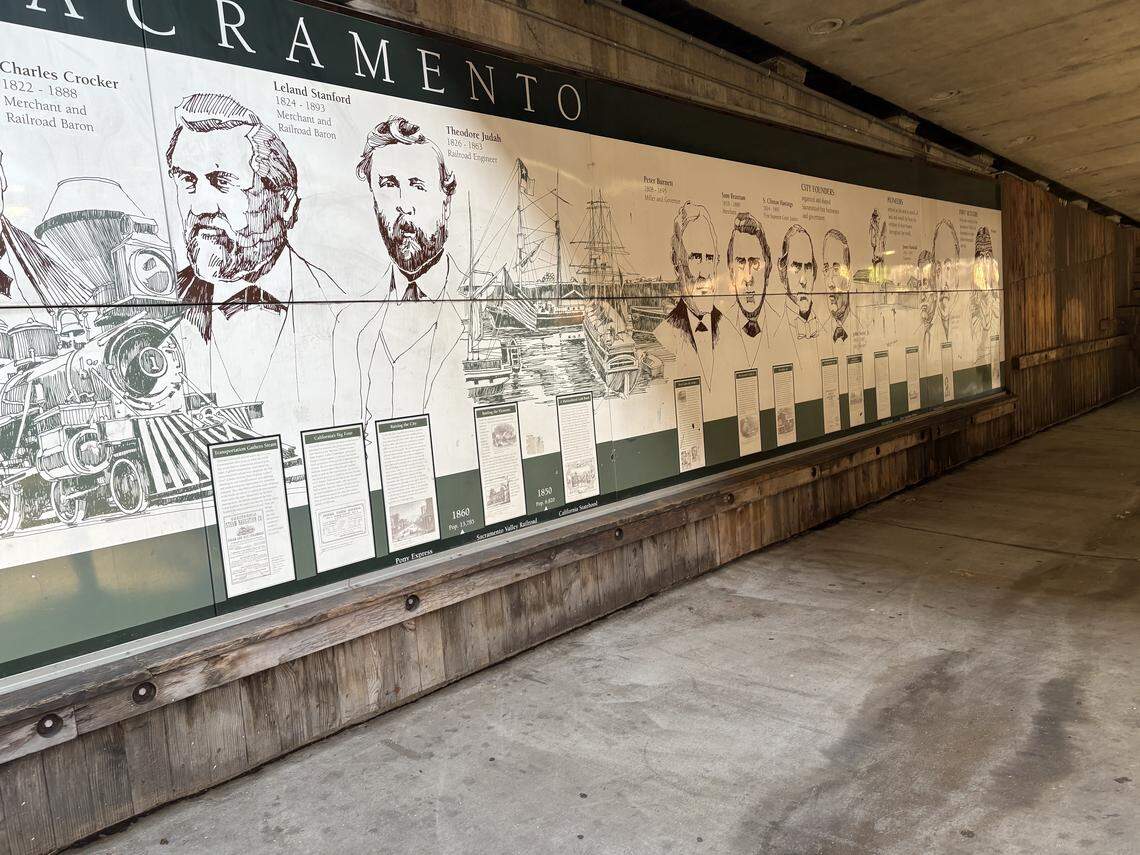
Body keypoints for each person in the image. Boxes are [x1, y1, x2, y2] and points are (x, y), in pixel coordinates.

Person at [166, 93, 343, 451]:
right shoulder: (163, 310)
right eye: (187, 181)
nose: (200, 206)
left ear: (285, 202)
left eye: (222, 182)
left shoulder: (341, 309)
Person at [653, 201, 723, 387]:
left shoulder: (731, 331)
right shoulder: (663, 336)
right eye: (695, 257)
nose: (704, 273)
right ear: (676, 261)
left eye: (710, 258)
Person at [722, 212, 774, 366]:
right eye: (740, 263)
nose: (748, 277)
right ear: (731, 272)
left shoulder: (780, 322)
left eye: (755, 263)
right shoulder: (721, 325)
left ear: (768, 270)